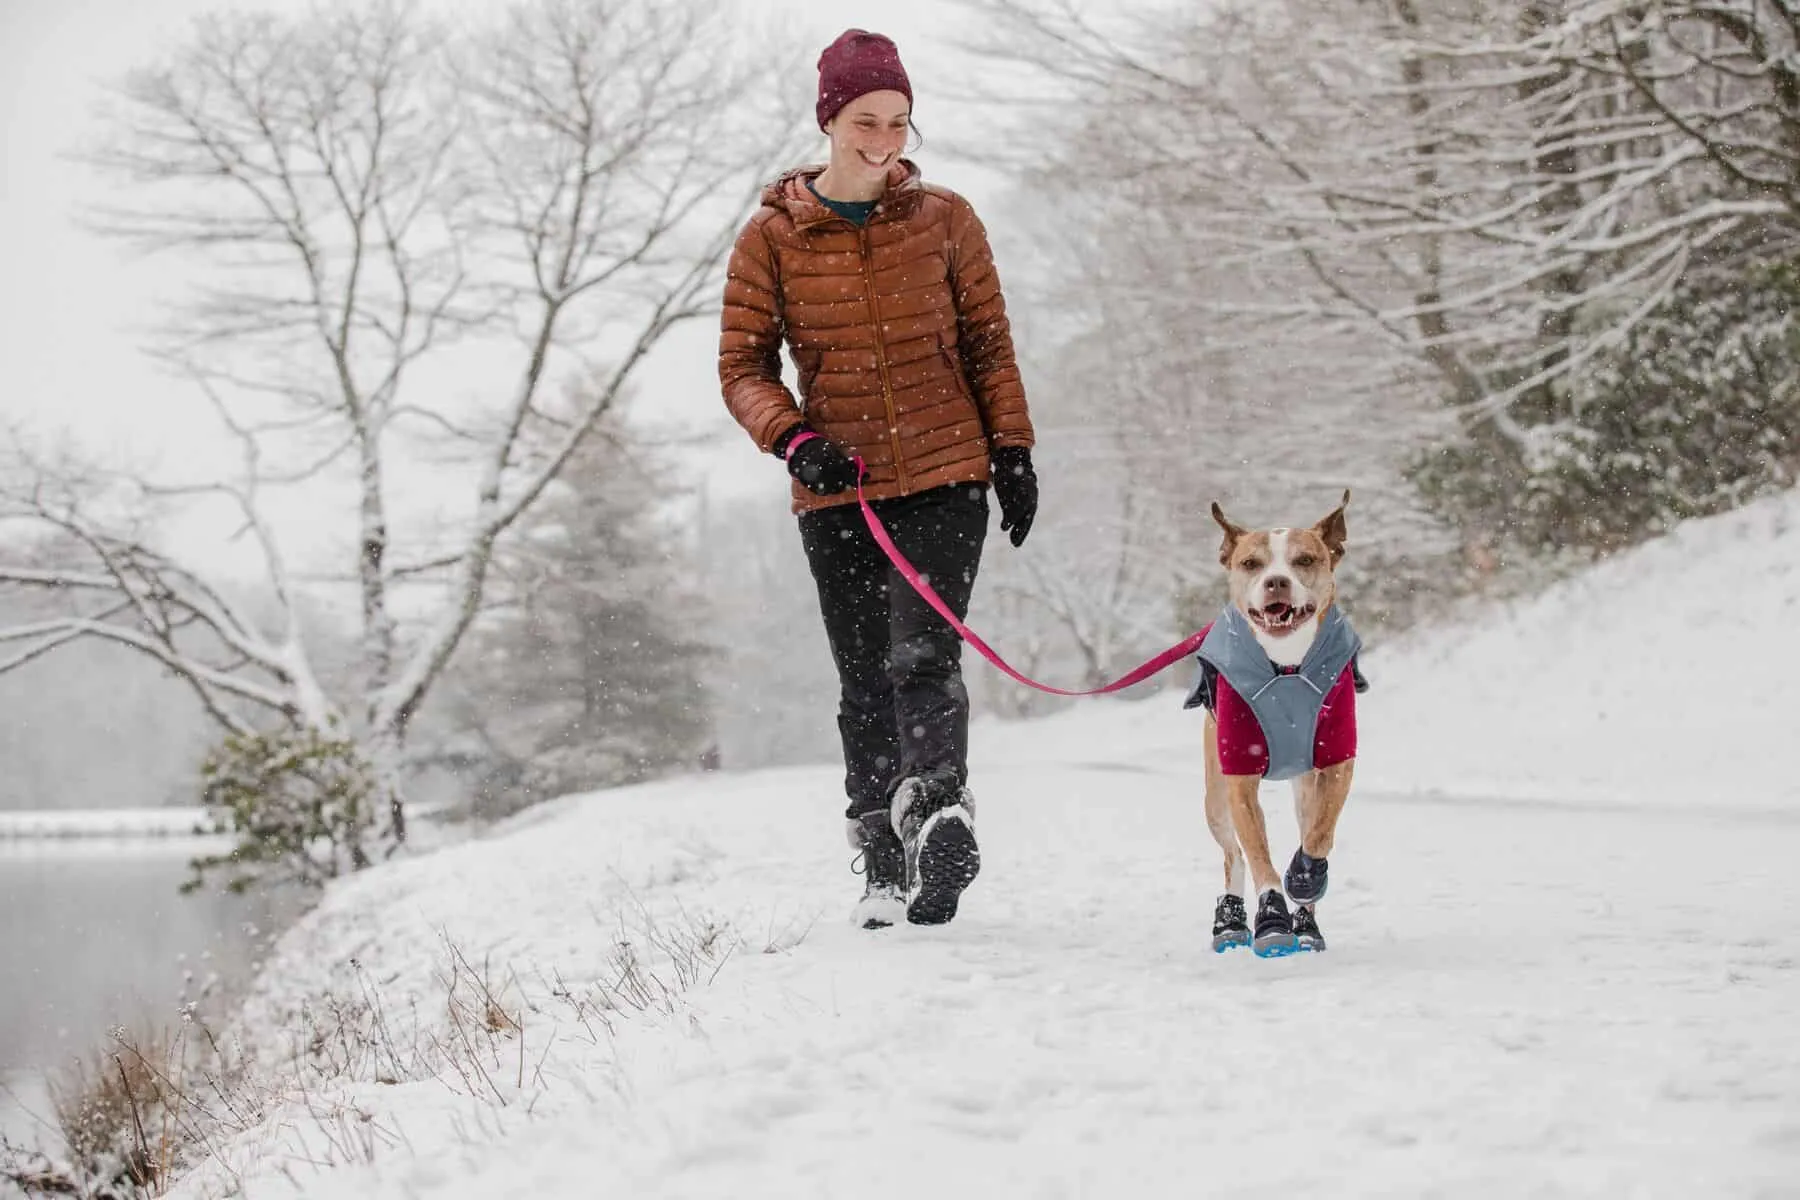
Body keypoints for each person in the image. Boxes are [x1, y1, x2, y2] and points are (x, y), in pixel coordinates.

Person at [718, 28, 1038, 930]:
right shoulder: (771, 240)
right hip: (838, 486)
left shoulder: (946, 220)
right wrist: (794, 440)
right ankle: (882, 854)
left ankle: (938, 809)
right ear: (829, 120)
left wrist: (1011, 451)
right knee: (863, 675)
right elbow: (742, 367)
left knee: (922, 656)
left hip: (945, 472)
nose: (885, 140)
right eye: (866, 121)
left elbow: (988, 346)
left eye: (900, 122)